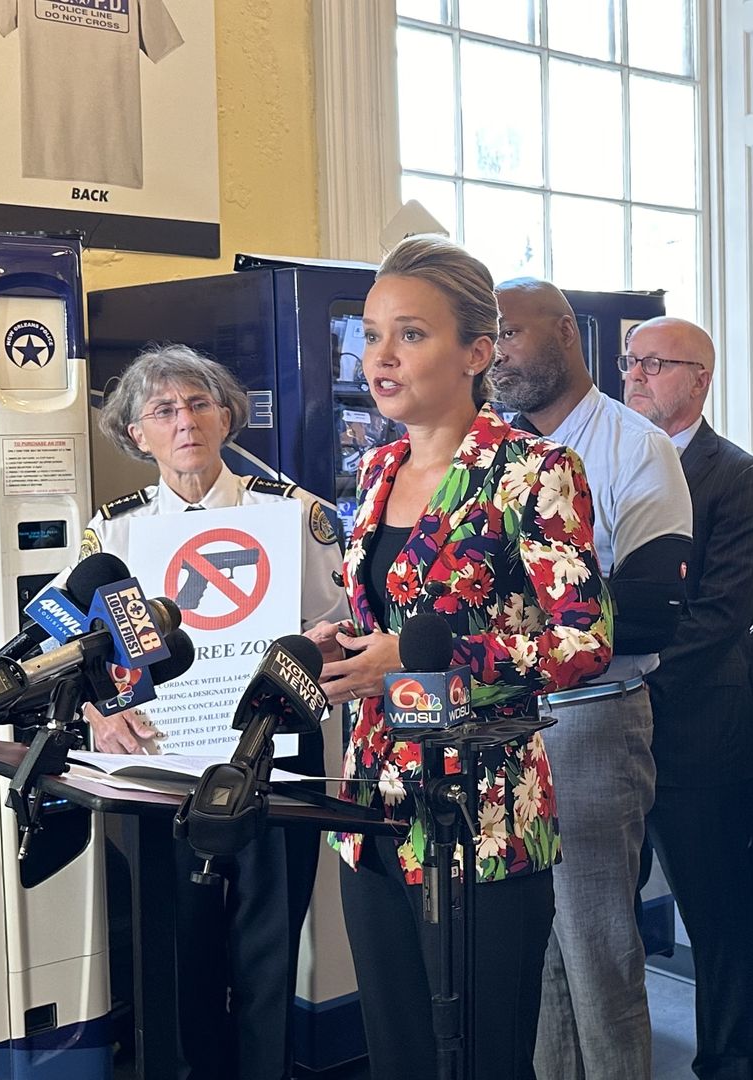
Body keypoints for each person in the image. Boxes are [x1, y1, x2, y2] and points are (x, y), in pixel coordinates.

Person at [317, 235, 612, 1080]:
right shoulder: (376, 470)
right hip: (372, 813)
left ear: (476, 353)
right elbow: (382, 611)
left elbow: (581, 640)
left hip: (482, 812)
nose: (381, 356)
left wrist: (406, 663)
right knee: (400, 1057)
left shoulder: (534, 472)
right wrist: (332, 642)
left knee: (481, 1061)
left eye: (409, 334)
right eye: (370, 334)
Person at [84, 343, 348, 1079]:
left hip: (274, 752)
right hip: (162, 756)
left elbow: (340, 631)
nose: (185, 421)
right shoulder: (114, 533)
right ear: (136, 434)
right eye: (163, 410)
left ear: (228, 416)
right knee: (176, 949)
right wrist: (104, 713)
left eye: (199, 404)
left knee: (270, 951)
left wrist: (322, 652)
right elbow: (88, 659)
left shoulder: (297, 517)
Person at [491, 277, 692, 1080]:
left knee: (596, 947)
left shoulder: (633, 446)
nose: (495, 353)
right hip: (503, 723)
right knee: (530, 954)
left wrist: (502, 630)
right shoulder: (493, 455)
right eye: (488, 337)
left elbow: (648, 611)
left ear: (566, 334)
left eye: (509, 333)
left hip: (591, 717)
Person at [623, 316, 753, 1080]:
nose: (636, 376)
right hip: (608, 732)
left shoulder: (738, 475)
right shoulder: (606, 465)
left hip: (700, 734)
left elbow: (724, 610)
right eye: (631, 363)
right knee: (605, 914)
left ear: (700, 379)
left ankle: (728, 1065)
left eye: (655, 364)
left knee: (719, 923)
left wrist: (632, 683)